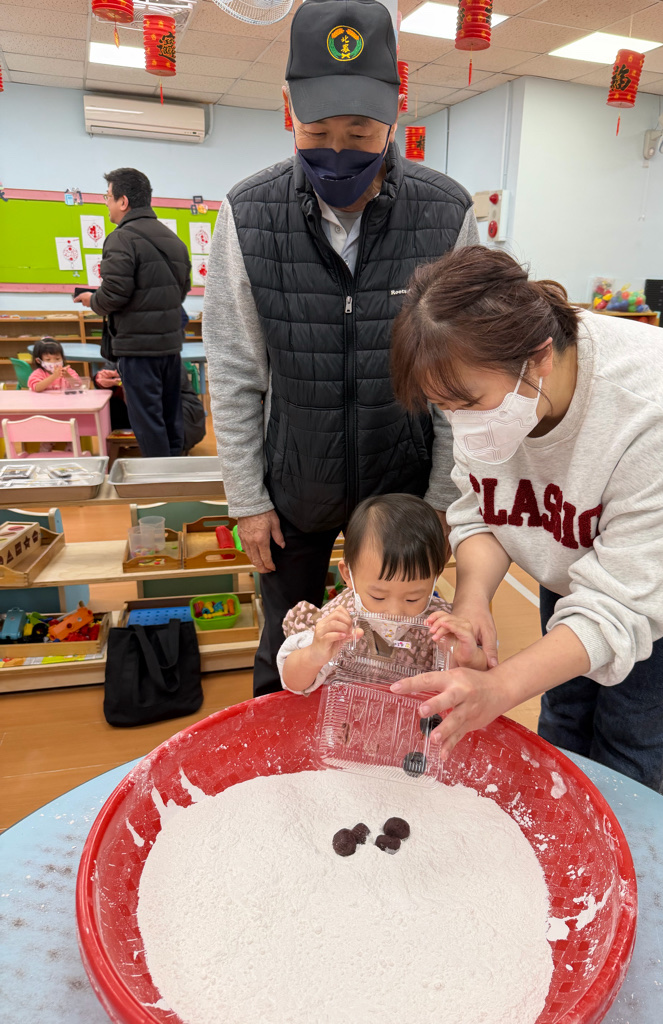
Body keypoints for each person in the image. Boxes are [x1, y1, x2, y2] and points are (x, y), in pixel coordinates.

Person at [388, 245, 663, 793]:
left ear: (539, 358)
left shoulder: (659, 411)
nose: (460, 426)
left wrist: (500, 689)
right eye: (443, 407)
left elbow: (620, 605)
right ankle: (559, 817)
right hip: (572, 521)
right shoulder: (489, 387)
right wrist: (471, 603)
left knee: (632, 729)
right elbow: (484, 509)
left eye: (469, 404)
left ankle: (616, 840)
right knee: (565, 706)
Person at [204, 0, 480, 698]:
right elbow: (234, 368)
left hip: (402, 487)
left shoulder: (447, 213)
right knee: (288, 651)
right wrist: (247, 498)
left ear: (396, 111)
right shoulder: (248, 212)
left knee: (399, 647)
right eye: (317, 131)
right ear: (287, 110)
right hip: (293, 486)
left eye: (360, 132)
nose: (338, 150)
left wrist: (442, 495)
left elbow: (460, 376)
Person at [279, 494, 486, 694]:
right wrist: (314, 655)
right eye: (378, 597)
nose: (394, 612)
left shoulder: (442, 625)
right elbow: (294, 683)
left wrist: (469, 658)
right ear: (348, 575)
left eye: (412, 598)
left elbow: (478, 684)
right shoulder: (337, 618)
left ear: (434, 579)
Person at [73, 167, 192, 458]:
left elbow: (114, 294)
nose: (106, 203)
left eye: (108, 196)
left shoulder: (121, 238)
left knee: (148, 422)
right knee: (171, 417)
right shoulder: (173, 240)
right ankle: (175, 474)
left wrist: (92, 300)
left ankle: (159, 480)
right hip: (170, 347)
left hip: (138, 350)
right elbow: (182, 289)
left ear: (123, 201)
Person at [94, 361, 206, 454]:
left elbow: (165, 394)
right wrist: (102, 380)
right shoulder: (122, 358)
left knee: (170, 415)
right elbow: (108, 371)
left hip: (172, 412)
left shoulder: (169, 360)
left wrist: (134, 384)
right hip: (137, 414)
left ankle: (173, 450)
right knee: (108, 406)